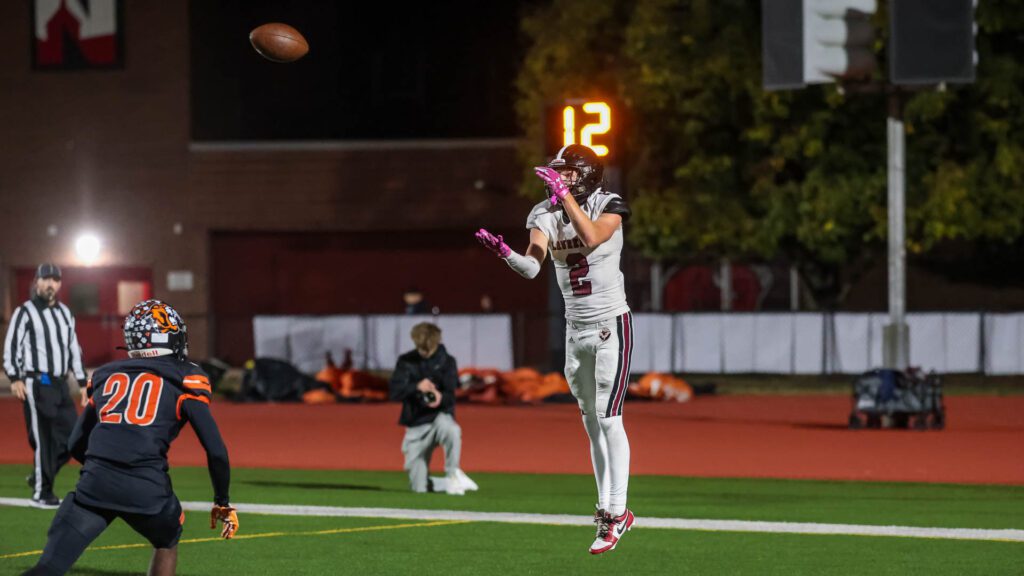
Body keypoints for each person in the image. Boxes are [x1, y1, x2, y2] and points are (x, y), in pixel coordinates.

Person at [475, 144, 635, 554]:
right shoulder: (541, 213)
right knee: (590, 422)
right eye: (556, 173)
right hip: (574, 328)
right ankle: (605, 508)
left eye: (566, 173)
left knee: (609, 417)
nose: (558, 178)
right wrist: (505, 253)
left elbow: (592, 236)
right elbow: (532, 268)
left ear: (585, 175)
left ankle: (617, 512)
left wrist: (564, 197)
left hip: (609, 324)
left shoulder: (609, 202)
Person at [21, 299, 237, 576]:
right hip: (146, 490)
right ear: (171, 336)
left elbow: (76, 444)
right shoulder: (187, 378)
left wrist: (104, 471)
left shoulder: (104, 375)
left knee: (48, 567)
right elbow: (216, 450)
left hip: (94, 486)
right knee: (167, 539)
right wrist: (222, 500)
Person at [2, 263, 87, 508]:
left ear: (60, 284)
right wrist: (15, 377)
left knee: (75, 438)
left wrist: (82, 383)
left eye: (55, 280)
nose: (50, 284)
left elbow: (74, 348)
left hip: (60, 385)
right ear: (37, 281)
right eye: (46, 279)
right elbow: (11, 347)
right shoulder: (25, 312)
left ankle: (40, 475)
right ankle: (42, 492)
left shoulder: (64, 313)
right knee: (44, 439)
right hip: (36, 383)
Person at [388, 322, 477, 495]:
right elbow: (394, 393)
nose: (425, 352)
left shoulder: (447, 362)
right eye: (421, 349)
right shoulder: (406, 361)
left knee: (452, 429)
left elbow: (451, 396)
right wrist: (417, 386)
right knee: (419, 488)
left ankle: (453, 474)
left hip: (438, 418)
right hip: (416, 424)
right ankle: (442, 483)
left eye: (428, 348)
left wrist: (440, 398)